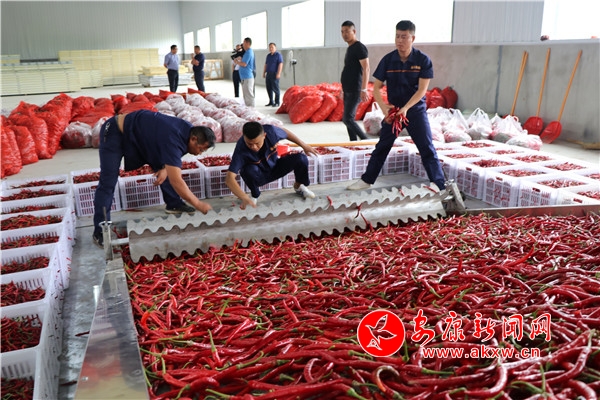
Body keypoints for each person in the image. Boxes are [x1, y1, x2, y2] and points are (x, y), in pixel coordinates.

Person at [347, 20, 446, 192]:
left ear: (412, 38)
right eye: (397, 36)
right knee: (382, 146)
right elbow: (376, 87)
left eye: (404, 37)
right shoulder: (388, 60)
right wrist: (384, 108)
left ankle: (439, 185)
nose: (400, 40)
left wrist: (406, 108)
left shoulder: (423, 60)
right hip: (393, 112)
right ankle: (366, 180)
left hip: (415, 111)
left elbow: (422, 90)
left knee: (427, 148)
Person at [92, 110, 216, 247]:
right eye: (201, 149)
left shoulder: (188, 132)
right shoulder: (173, 139)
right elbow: (176, 181)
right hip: (115, 131)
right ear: (194, 139)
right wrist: (198, 204)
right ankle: (100, 230)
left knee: (168, 166)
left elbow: (173, 156)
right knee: (108, 182)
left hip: (143, 138)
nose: (199, 153)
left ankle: (174, 203)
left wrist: (165, 169)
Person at [226, 121, 318, 209]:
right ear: (244, 138)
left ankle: (299, 186)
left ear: (264, 136)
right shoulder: (240, 149)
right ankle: (254, 195)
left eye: (257, 143)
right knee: (247, 170)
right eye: (249, 144)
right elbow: (229, 178)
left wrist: (304, 145)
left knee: (301, 158)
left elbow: (285, 133)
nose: (254, 147)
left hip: (275, 166)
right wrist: (243, 196)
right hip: (259, 175)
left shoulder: (271, 132)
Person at [340, 21, 370, 141]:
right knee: (349, 120)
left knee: (347, 119)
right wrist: (342, 89)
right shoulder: (350, 48)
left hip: (355, 89)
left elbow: (366, 68)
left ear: (354, 31)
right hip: (347, 88)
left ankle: (366, 140)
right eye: (342, 32)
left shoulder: (359, 47)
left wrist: (364, 89)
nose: (344, 34)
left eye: (347, 31)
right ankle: (353, 143)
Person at [233, 37, 255, 107]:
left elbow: (244, 64)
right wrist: (240, 59)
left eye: (244, 43)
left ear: (248, 43)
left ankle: (252, 110)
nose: (243, 44)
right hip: (244, 77)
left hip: (247, 77)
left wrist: (237, 62)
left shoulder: (248, 52)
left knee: (249, 96)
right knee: (246, 96)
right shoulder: (247, 52)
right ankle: (248, 110)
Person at [263, 42, 284, 107]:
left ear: (275, 48)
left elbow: (280, 64)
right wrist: (264, 72)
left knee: (275, 88)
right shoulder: (268, 56)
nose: (271, 48)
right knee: (269, 88)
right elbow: (266, 64)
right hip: (268, 74)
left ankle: (277, 102)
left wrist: (278, 73)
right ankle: (271, 101)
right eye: (270, 47)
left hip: (275, 73)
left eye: (272, 47)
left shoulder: (278, 55)